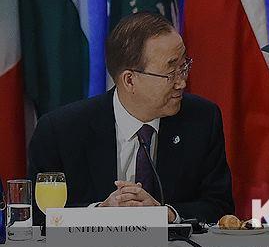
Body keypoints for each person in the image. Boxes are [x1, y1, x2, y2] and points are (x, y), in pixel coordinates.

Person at [27, 12, 233, 224]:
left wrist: (165, 214)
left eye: (184, 67)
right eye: (171, 73)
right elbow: (39, 215)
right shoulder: (60, 131)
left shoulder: (202, 119)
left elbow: (220, 206)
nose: (182, 83)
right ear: (129, 80)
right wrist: (98, 213)